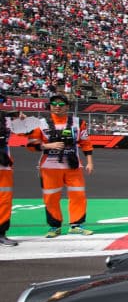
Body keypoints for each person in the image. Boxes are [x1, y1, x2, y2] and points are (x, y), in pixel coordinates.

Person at [24, 94, 95, 238]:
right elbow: (31, 145)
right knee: (51, 197)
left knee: (78, 195)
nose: (57, 106)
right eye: (54, 104)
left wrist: (90, 162)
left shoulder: (78, 122)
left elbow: (86, 143)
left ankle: (76, 225)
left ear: (67, 106)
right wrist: (47, 145)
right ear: (50, 106)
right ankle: (54, 227)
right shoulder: (40, 123)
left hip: (73, 167)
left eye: (61, 104)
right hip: (49, 168)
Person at [0, 99, 17, 246]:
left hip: (4, 166)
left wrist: (24, 121)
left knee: (4, 201)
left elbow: (27, 132)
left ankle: (1, 233)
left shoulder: (7, 118)